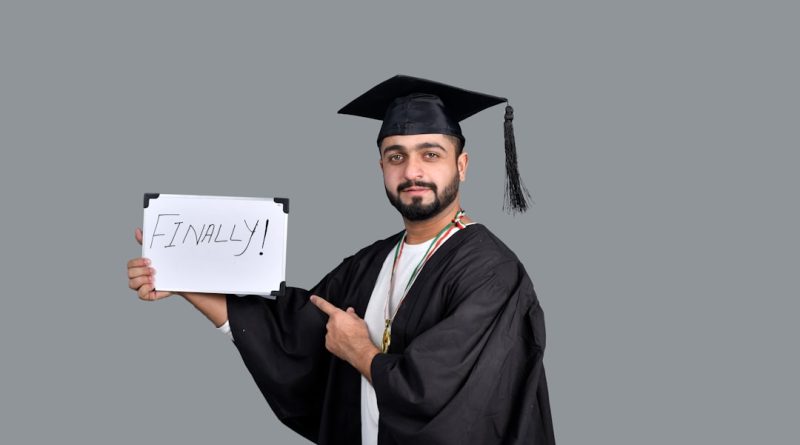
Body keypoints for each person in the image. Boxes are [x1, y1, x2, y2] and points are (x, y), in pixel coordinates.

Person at [127, 75, 556, 445]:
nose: (412, 172)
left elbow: (444, 392)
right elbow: (292, 333)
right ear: (382, 167)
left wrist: (359, 351)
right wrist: (183, 280)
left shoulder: (492, 273)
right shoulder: (372, 262)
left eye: (431, 154)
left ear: (461, 165)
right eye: (396, 156)